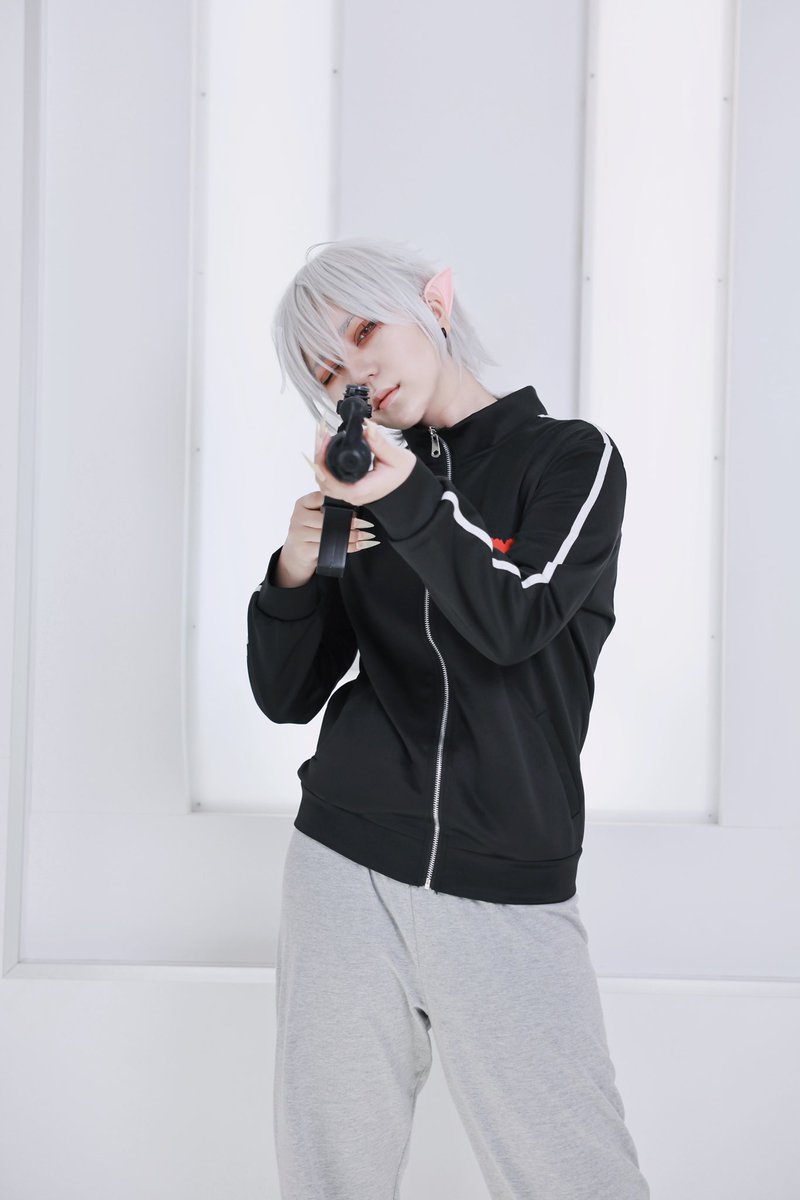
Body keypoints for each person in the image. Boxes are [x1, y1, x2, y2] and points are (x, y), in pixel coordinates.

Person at [247, 237, 650, 1199]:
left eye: (364, 332)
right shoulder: (368, 488)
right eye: (327, 371)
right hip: (343, 860)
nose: (355, 374)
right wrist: (297, 568)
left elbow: (516, 619)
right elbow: (287, 695)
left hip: (504, 872)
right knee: (330, 1175)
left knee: (576, 1175)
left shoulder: (571, 457)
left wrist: (406, 496)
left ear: (434, 300)